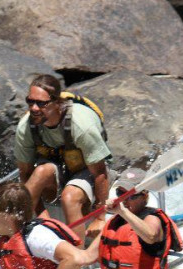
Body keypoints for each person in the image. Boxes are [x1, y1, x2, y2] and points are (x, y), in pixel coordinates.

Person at [80, 168, 183, 269]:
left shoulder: (153, 219)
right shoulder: (114, 223)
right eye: (121, 193)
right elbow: (85, 257)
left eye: (131, 196)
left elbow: (150, 235)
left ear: (145, 196)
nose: (125, 200)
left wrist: (122, 211)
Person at [14, 74, 112, 241]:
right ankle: (15, 237)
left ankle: (76, 257)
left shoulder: (81, 125)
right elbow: (25, 175)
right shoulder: (25, 128)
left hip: (88, 170)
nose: (34, 108)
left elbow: (100, 173)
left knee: (70, 196)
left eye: (41, 103)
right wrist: (44, 218)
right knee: (40, 173)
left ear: (57, 102)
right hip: (57, 171)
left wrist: (100, 217)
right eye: (30, 101)